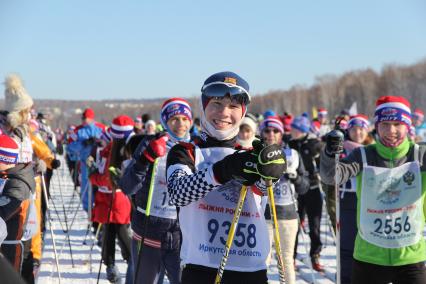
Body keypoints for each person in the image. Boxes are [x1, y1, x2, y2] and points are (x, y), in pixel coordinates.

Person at [166, 71, 286, 284]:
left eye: (233, 107)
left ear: (243, 112)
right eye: (216, 104)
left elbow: (260, 191)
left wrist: (272, 172)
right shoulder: (186, 151)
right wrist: (221, 171)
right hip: (201, 267)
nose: (223, 113)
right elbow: (178, 193)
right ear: (204, 106)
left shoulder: (252, 154)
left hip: (252, 269)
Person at [320, 96, 426, 284]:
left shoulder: (420, 155)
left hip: (410, 255)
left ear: (408, 126)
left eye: (397, 124)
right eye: (384, 124)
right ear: (376, 126)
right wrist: (329, 153)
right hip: (370, 255)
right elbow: (332, 177)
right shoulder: (364, 155)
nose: (391, 131)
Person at [120, 97, 193, 284]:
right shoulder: (150, 143)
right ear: (165, 121)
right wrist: (145, 159)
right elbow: (128, 186)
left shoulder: (196, 148)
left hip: (182, 233)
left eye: (185, 119)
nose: (181, 124)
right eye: (174, 119)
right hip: (149, 228)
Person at [260, 116, 309, 284]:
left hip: (287, 215)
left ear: (281, 134)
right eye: (267, 130)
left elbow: (304, 187)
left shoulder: (292, 154)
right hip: (263, 215)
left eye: (275, 131)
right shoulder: (256, 154)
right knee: (262, 260)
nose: (271, 134)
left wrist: (295, 178)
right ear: (262, 133)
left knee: (286, 260)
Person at [89, 115, 133, 283]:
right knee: (110, 233)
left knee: (121, 233)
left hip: (117, 200)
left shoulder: (121, 152)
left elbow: (107, 180)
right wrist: (93, 168)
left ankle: (129, 263)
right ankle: (111, 265)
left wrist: (93, 175)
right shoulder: (107, 150)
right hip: (107, 201)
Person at [335, 114, 374, 284]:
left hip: (371, 203)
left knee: (369, 248)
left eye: (361, 129)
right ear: (348, 130)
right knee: (347, 248)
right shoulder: (342, 149)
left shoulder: (374, 149)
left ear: (367, 130)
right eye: (354, 129)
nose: (358, 132)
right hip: (348, 202)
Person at [288, 114, 325, 271]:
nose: (293, 131)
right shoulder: (290, 144)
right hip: (296, 190)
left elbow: (326, 162)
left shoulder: (315, 144)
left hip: (314, 189)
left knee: (314, 226)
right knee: (294, 226)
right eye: (292, 128)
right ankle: (291, 257)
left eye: (296, 129)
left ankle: (315, 255)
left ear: (302, 129)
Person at [67, 108, 105, 213]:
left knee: (99, 188)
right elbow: (70, 148)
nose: (83, 120)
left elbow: (108, 142)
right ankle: (88, 211)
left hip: (99, 164)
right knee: (86, 188)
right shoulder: (78, 131)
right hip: (85, 164)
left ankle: (99, 211)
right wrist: (84, 143)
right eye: (82, 118)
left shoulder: (100, 129)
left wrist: (101, 143)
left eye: (85, 118)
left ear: (91, 118)